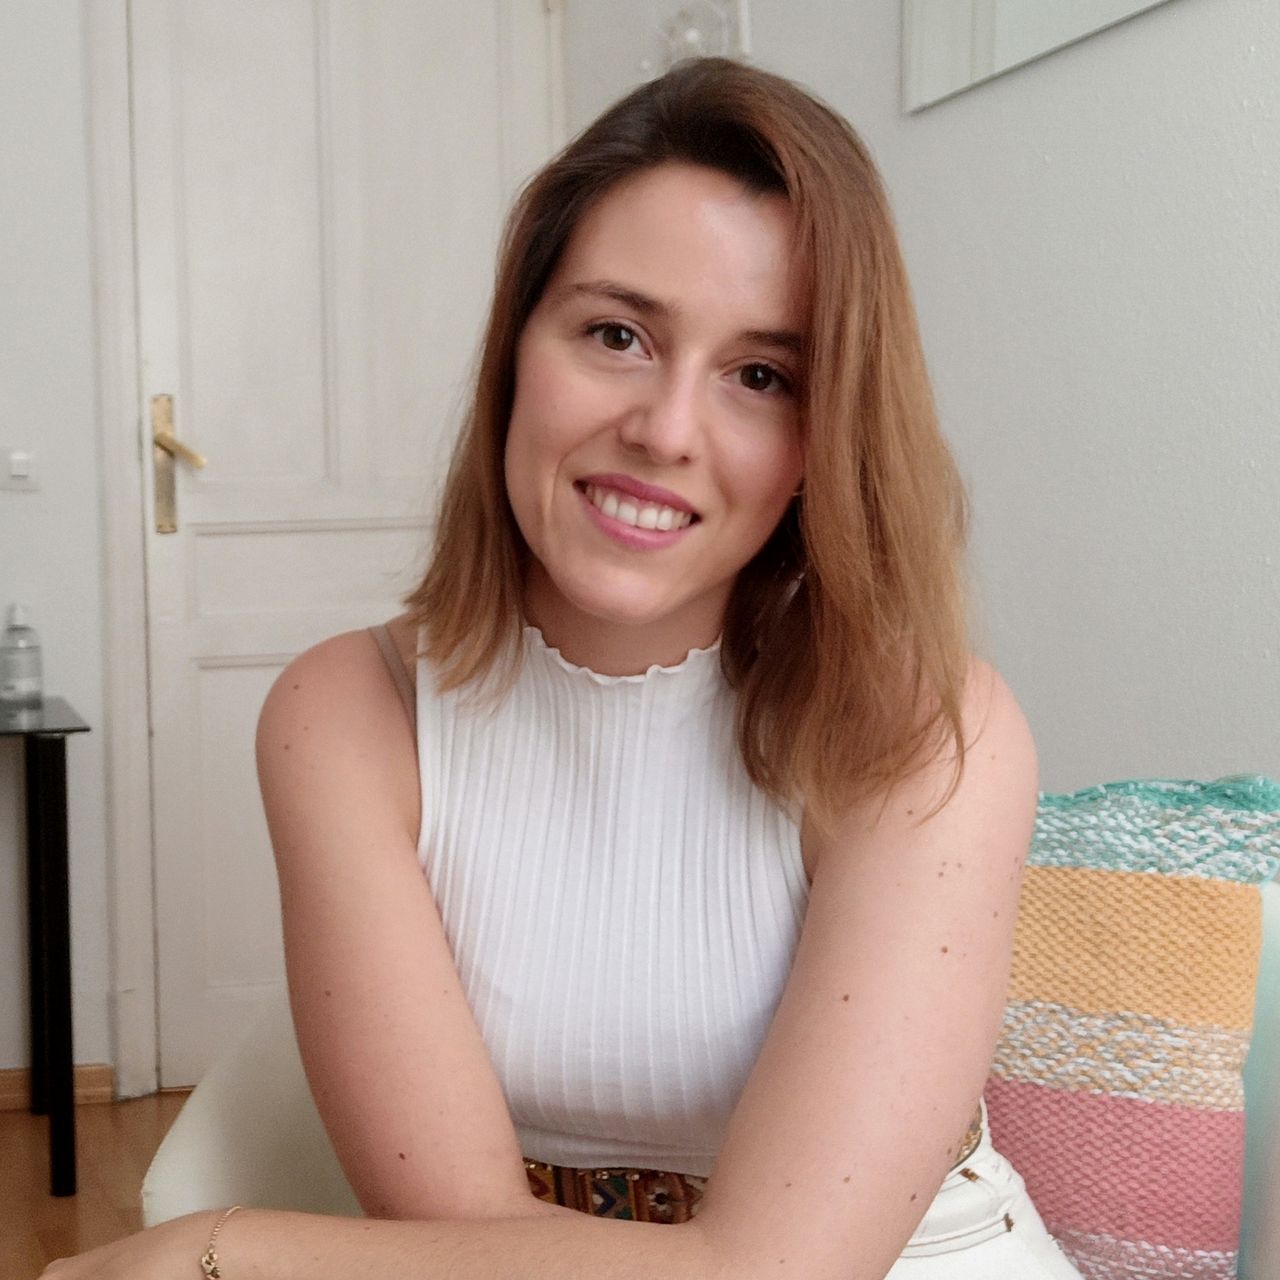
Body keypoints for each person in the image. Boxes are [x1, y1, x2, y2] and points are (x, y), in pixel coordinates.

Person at [45, 57, 1081, 1280]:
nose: (665, 429)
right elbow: (451, 1228)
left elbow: (774, 1274)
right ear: (514, 351)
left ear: (823, 436)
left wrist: (219, 1248)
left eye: (760, 375)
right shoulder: (349, 716)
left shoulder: (922, 729)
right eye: (616, 334)